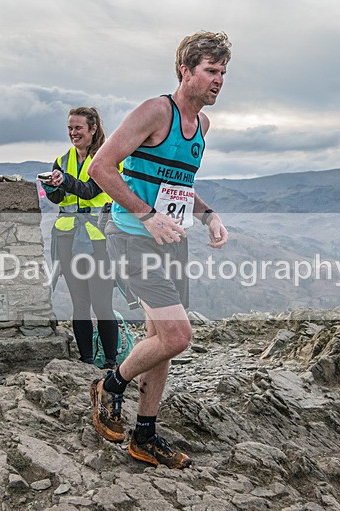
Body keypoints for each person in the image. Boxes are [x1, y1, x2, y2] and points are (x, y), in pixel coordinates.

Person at [88, 32, 231, 469]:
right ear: (185, 71)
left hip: (171, 241)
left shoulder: (202, 126)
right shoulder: (156, 112)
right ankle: (110, 385)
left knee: (159, 340)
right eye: (210, 70)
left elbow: (181, 186)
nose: (219, 80)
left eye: (223, 72)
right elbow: (100, 168)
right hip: (133, 237)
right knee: (177, 336)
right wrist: (147, 214)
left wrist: (208, 215)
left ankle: (144, 435)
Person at [41, 107, 119, 368]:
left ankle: (110, 361)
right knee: (80, 303)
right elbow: (59, 199)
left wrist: (65, 181)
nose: (73, 133)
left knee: (101, 303)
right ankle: (86, 361)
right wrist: (52, 187)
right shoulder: (61, 160)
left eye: (78, 128)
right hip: (67, 237)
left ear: (93, 128)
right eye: (70, 128)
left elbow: (89, 191)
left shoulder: (107, 158)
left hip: (98, 240)